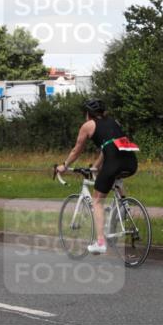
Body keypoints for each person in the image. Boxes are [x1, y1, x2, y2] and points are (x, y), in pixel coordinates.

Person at [56, 99, 138, 254]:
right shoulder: (114, 122)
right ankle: (123, 208)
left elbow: (77, 150)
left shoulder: (88, 125)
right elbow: (107, 146)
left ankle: (100, 242)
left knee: (97, 201)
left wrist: (64, 165)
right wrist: (96, 166)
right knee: (115, 179)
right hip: (131, 162)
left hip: (114, 162)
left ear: (88, 114)